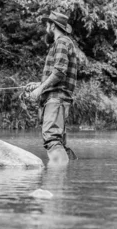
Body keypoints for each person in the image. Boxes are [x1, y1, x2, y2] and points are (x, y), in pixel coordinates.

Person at [25, 11, 81, 163]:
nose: (46, 29)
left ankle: (55, 181)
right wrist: (39, 84)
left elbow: (59, 72)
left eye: (47, 25)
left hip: (56, 100)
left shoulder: (62, 42)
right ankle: (66, 176)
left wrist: (39, 90)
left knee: (52, 140)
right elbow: (59, 74)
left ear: (52, 26)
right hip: (57, 99)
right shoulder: (63, 43)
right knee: (57, 142)